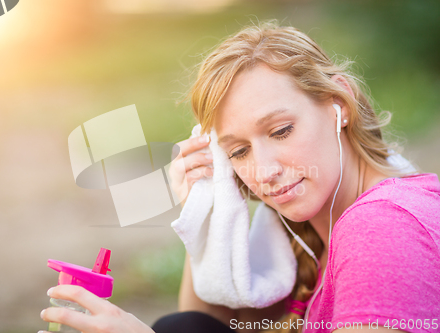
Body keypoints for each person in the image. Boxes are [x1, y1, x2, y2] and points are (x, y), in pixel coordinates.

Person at [39, 20, 440, 333]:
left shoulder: (383, 225)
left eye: (281, 131)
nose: (264, 172)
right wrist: (206, 211)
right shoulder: (301, 239)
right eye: (238, 151)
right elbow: (200, 324)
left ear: (340, 104)